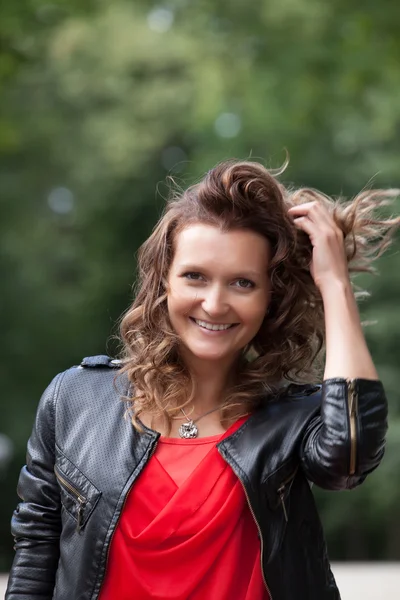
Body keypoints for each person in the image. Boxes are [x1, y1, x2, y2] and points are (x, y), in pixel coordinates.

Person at [5, 159, 399, 600]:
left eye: (242, 283)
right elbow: (36, 554)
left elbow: (350, 455)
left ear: (269, 298)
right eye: (195, 276)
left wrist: (334, 284)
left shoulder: (294, 419)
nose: (214, 304)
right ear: (164, 282)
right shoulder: (74, 400)